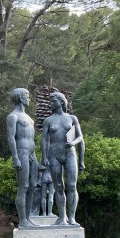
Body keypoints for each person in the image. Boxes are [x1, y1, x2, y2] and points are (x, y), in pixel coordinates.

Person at [41, 92, 85, 226]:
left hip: (70, 153)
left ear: (61, 102)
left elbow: (80, 138)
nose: (50, 104)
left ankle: (71, 217)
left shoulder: (72, 118)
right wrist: (43, 158)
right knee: (58, 186)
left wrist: (81, 159)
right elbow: (44, 140)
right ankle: (62, 217)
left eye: (53, 101)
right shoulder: (48, 120)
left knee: (72, 186)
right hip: (54, 154)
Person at [6, 88, 38, 227]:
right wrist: (15, 157)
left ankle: (28, 217)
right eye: (27, 96)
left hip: (32, 153)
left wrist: (35, 156)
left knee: (32, 187)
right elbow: (11, 138)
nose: (29, 98)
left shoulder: (29, 118)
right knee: (23, 186)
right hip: (22, 152)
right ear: (20, 97)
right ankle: (23, 219)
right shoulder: (13, 116)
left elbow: (32, 139)